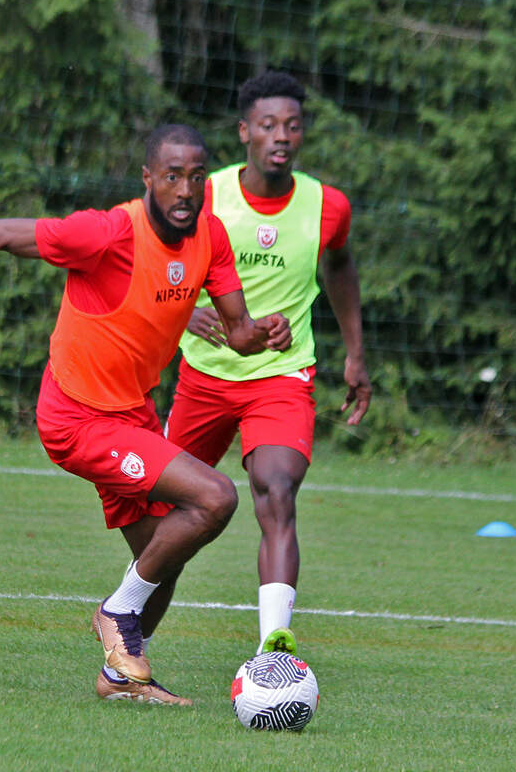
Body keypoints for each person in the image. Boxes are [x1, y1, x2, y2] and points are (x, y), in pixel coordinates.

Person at [0, 124, 291, 705]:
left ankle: (121, 676)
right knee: (215, 498)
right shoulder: (107, 231)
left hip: (132, 415)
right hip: (76, 419)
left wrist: (264, 335)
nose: (185, 190)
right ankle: (115, 612)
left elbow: (238, 335)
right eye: (171, 177)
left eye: (195, 178)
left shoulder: (209, 236)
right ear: (147, 180)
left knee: (164, 553)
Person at [165, 71, 371, 659]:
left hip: (281, 376)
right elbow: (156, 261)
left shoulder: (327, 205)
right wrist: (182, 316)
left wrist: (355, 352)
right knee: (166, 514)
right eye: (267, 125)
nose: (281, 136)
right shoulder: (205, 196)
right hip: (203, 375)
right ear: (243, 133)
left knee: (276, 488)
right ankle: (131, 643)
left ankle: (274, 651)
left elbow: (340, 266)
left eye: (292, 125)